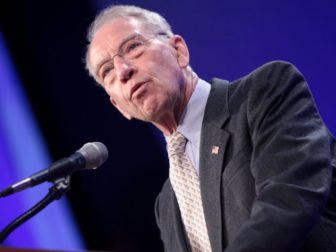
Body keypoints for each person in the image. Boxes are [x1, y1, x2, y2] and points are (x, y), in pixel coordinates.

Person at [84, 4, 336, 252]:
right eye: (107, 71)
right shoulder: (167, 206)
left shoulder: (264, 92)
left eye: (133, 47)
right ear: (119, 106)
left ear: (178, 51)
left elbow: (287, 202)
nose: (123, 70)